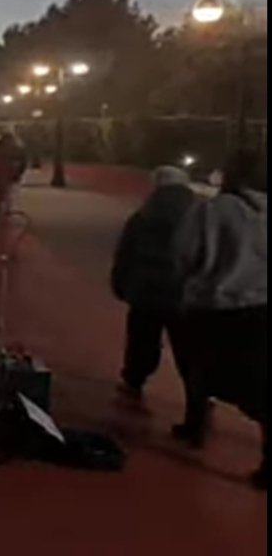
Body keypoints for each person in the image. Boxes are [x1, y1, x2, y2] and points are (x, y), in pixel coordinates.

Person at [170, 151, 267, 489]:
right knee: (259, 382)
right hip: (260, 307)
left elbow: (184, 253)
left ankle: (196, 424)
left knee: (204, 372)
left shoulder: (210, 211)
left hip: (214, 306)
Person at [110, 165, 196, 400]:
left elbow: (126, 252)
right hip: (184, 292)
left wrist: (120, 282)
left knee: (142, 340)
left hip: (146, 290)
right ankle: (198, 393)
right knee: (188, 347)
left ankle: (134, 381)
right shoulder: (198, 215)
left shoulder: (143, 216)